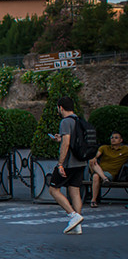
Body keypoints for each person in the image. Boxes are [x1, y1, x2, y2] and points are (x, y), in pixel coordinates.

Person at [48, 96, 86, 234]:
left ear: (60, 108)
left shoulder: (65, 121)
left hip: (69, 162)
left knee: (53, 190)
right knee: (74, 190)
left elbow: (67, 143)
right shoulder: (80, 120)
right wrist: (61, 139)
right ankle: (77, 226)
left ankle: (73, 215)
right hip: (81, 161)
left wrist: (60, 164)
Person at [89, 131, 128, 207]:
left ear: (121, 140)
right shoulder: (104, 148)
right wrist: (94, 158)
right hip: (98, 169)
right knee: (92, 160)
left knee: (96, 176)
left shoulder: (125, 150)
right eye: (112, 138)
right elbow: (96, 156)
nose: (113, 139)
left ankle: (93, 200)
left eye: (116, 138)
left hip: (110, 174)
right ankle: (104, 179)